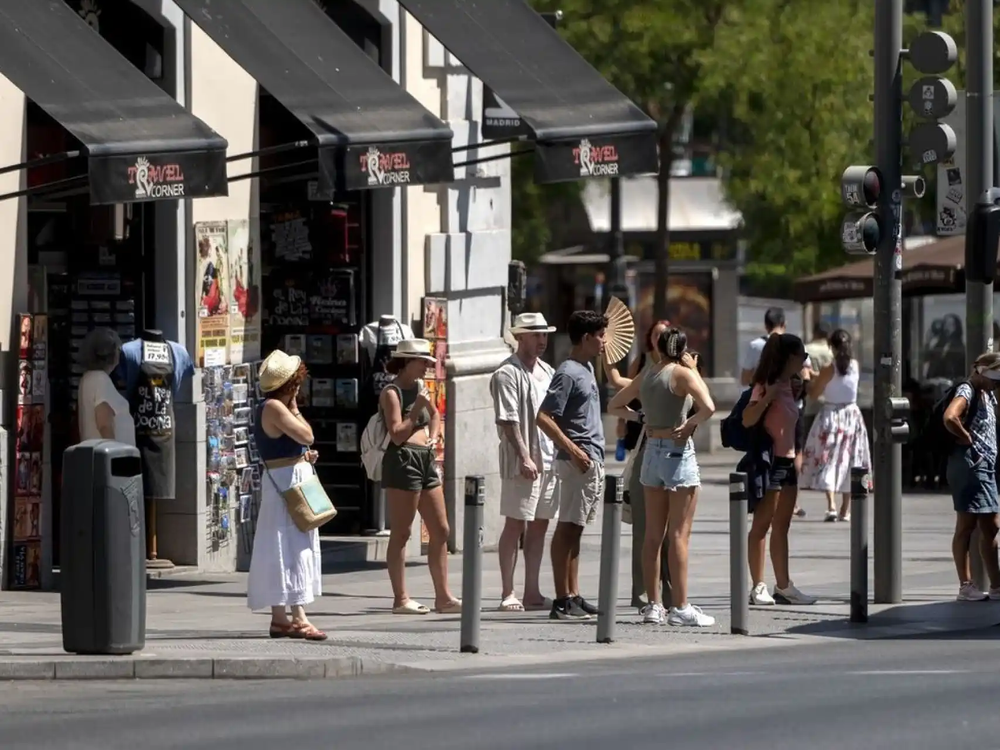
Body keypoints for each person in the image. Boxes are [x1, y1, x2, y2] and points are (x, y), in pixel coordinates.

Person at [609, 328, 717, 626]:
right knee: (679, 534)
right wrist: (691, 422)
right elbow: (708, 405)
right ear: (683, 350)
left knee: (652, 535)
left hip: (651, 450)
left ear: (657, 346)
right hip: (677, 451)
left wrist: (640, 417)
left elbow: (615, 404)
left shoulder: (649, 374)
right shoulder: (682, 374)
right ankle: (681, 606)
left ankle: (654, 605)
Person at [247, 350, 325, 640]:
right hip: (286, 485)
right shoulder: (275, 408)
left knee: (284, 546)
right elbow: (307, 435)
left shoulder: (271, 407)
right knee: (290, 546)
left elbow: (301, 439)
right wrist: (293, 406)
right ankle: (297, 616)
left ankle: (282, 617)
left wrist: (303, 456)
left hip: (288, 478)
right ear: (291, 383)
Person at [380, 338, 461, 615]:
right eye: (422, 362)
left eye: (428, 362)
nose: (427, 366)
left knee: (441, 530)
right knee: (402, 533)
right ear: (406, 362)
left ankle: (443, 596)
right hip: (402, 461)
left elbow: (436, 415)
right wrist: (416, 409)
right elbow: (398, 434)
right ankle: (400, 598)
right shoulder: (392, 393)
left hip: (425, 460)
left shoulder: (420, 388)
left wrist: (435, 436)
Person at [538, 310, 607, 620]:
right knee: (566, 528)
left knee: (576, 528)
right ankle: (562, 598)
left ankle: (574, 594)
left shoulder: (587, 367)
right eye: (601, 335)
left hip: (590, 460)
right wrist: (574, 450)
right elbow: (543, 417)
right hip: (575, 462)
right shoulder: (567, 372)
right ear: (586, 338)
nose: (605, 341)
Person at [741, 333, 816, 605]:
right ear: (789, 358)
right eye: (803, 357)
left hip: (788, 462)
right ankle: (758, 585)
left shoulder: (790, 384)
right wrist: (767, 397)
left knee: (782, 526)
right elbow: (748, 419)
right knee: (761, 526)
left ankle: (784, 586)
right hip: (769, 461)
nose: (805, 361)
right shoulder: (767, 384)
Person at [490, 312, 558, 612]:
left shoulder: (549, 371)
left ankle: (532, 590)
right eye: (536, 335)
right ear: (520, 337)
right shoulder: (507, 373)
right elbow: (508, 419)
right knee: (516, 523)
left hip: (549, 458)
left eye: (545, 335)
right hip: (523, 459)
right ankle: (508, 591)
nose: (542, 341)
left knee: (540, 525)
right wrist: (524, 456)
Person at [603, 319, 672, 609]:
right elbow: (619, 388)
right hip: (647, 449)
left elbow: (705, 403)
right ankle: (643, 592)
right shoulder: (645, 371)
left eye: (667, 335)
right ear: (650, 340)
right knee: (645, 528)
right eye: (657, 335)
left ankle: (672, 593)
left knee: (673, 531)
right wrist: (634, 419)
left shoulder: (686, 369)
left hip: (676, 454)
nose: (662, 339)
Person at [943, 352, 1000, 601]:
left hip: (985, 467)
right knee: (966, 525)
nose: (996, 383)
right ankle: (966, 586)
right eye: (994, 378)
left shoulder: (988, 395)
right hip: (970, 467)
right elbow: (949, 416)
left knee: (990, 525)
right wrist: (966, 437)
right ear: (981, 372)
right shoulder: (967, 390)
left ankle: (996, 585)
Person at [801, 330, 871, 522]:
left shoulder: (828, 367)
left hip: (832, 415)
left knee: (828, 459)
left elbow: (814, 394)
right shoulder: (855, 366)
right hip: (852, 415)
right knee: (850, 460)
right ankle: (845, 509)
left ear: (831, 347)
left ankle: (831, 505)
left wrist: (812, 379)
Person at [76, 327, 135, 446]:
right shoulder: (100, 379)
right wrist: (114, 454)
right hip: (110, 458)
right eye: (119, 349)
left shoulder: (88, 378)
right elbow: (104, 423)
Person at [740, 307, 786, 387]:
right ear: (784, 324)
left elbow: (744, 379)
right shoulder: (797, 344)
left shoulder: (755, 345)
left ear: (766, 326)